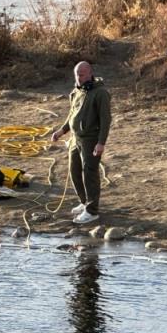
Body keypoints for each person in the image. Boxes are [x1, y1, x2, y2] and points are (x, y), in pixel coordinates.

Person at [51, 61, 112, 224]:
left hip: (91, 139)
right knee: (74, 171)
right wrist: (61, 131)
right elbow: (72, 115)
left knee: (90, 172)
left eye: (82, 74)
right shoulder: (76, 92)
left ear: (90, 74)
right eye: (77, 74)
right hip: (75, 139)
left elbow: (106, 120)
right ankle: (84, 201)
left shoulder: (101, 93)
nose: (79, 78)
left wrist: (101, 143)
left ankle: (92, 211)